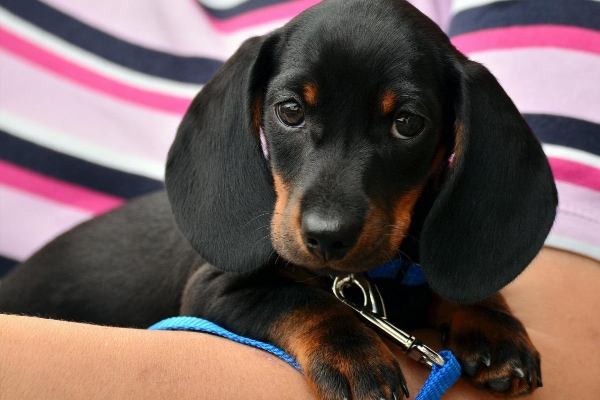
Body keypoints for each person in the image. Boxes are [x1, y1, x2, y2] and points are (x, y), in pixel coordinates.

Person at [1, 0, 598, 398]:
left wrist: (475, 308)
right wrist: (322, 327)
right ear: (257, 114)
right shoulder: (246, 238)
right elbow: (219, 291)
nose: (327, 218)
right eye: (292, 113)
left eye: (405, 124)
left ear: (454, 140)